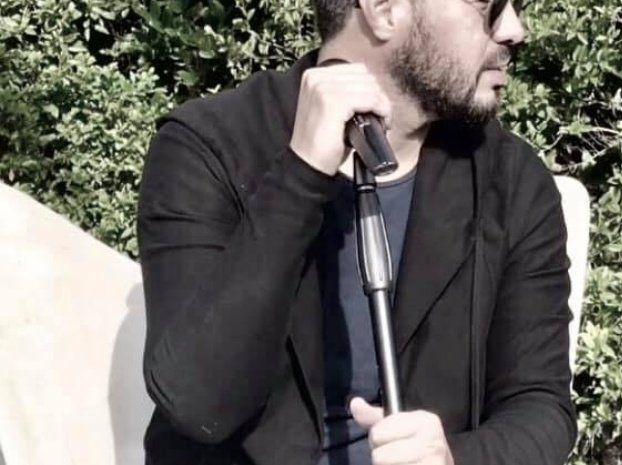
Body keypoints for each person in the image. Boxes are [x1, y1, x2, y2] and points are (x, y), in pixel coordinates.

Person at [136, 0, 577, 464]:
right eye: (489, 6)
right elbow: (196, 404)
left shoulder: (510, 182)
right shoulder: (208, 148)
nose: (513, 29)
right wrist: (301, 175)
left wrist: (452, 458)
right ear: (384, 9)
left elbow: (541, 408)